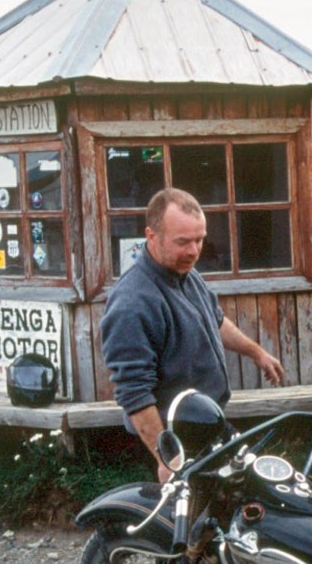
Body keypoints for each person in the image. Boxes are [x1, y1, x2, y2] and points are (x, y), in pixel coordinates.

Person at [100, 188, 284, 481]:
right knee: (188, 523)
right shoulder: (132, 302)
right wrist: (167, 458)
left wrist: (256, 352)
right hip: (168, 436)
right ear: (151, 236)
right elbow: (133, 393)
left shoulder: (186, 273)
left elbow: (216, 321)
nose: (194, 251)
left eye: (199, 240)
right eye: (183, 242)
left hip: (206, 424)